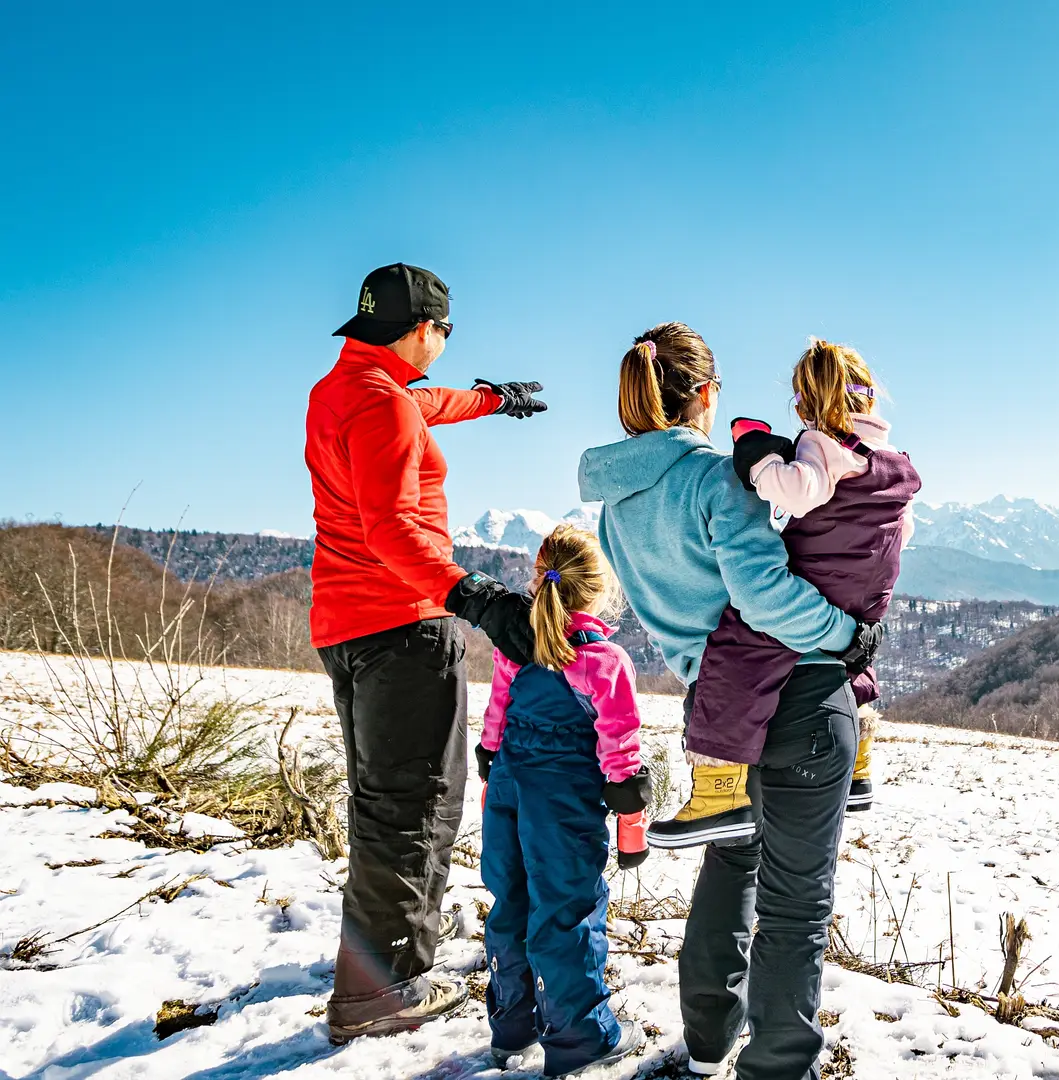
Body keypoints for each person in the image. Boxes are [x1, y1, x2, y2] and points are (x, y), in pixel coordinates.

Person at [577, 322, 883, 1080]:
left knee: (731, 861)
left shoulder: (617, 511)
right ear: (707, 394)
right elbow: (763, 593)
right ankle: (778, 1068)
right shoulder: (715, 479)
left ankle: (710, 1041)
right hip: (801, 692)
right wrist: (846, 634)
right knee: (795, 902)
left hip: (717, 709)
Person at [305, 262, 549, 1042]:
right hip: (403, 625)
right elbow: (391, 527)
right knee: (416, 807)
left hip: (345, 627)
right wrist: (473, 594)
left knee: (383, 798)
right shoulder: (386, 407)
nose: (445, 341)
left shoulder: (345, 388)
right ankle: (385, 989)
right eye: (445, 329)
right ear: (423, 330)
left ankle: (373, 962)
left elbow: (421, 402)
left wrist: (490, 400)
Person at [650, 339, 919, 849]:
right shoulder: (892, 460)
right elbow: (903, 531)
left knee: (737, 647)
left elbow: (800, 491)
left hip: (820, 577)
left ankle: (717, 791)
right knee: (852, 656)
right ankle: (858, 765)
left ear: (810, 402)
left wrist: (758, 463)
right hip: (868, 592)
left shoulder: (823, 444)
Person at [476, 525, 651, 1076]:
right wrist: (630, 809)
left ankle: (511, 1027)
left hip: (507, 786)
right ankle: (580, 1039)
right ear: (599, 592)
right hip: (562, 802)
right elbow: (618, 747)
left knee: (511, 903)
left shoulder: (516, 648)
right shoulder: (602, 661)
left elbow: (495, 720)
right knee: (566, 911)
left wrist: (489, 765)